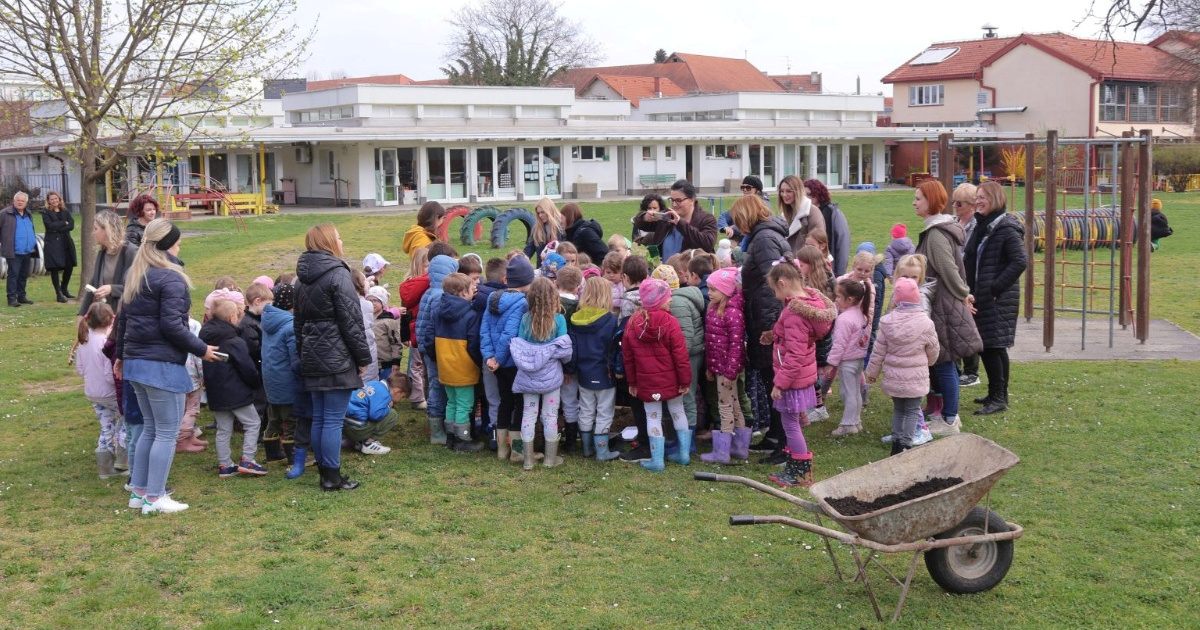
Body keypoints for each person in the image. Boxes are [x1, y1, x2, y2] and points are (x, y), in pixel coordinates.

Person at [115, 219, 219, 514]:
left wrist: (123, 357)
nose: (181, 244)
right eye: (178, 240)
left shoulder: (136, 273)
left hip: (137, 364)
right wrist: (203, 349)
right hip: (160, 367)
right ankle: (155, 497)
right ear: (168, 244)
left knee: (151, 428)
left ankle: (140, 492)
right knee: (165, 432)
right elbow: (173, 326)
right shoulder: (170, 277)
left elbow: (123, 321)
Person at [294, 223, 371, 491]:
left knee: (320, 418)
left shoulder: (300, 279)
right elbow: (352, 322)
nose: (342, 241)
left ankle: (327, 473)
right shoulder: (339, 275)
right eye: (338, 237)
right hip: (337, 356)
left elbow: (298, 324)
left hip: (313, 356)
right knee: (332, 420)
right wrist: (362, 358)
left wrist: (304, 354)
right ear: (329, 242)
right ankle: (331, 477)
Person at [912, 180, 983, 437]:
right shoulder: (939, 230)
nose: (914, 203)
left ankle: (950, 419)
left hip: (942, 304)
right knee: (944, 361)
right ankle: (945, 413)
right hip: (943, 302)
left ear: (931, 201)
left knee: (945, 362)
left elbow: (948, 269)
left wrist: (965, 294)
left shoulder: (936, 234)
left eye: (918, 198)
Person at [764, 257, 834, 488]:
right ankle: (794, 465)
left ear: (782, 283)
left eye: (774, 289)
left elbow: (794, 354)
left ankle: (801, 472)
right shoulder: (808, 303)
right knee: (793, 422)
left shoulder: (795, 313)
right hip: (803, 373)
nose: (775, 295)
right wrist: (774, 335)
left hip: (792, 379)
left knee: (790, 424)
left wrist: (780, 383)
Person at [732, 195, 791, 460]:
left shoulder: (765, 239)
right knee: (770, 381)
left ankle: (783, 442)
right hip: (763, 314)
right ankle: (775, 436)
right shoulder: (765, 236)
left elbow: (774, 284)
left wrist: (769, 327)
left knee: (774, 381)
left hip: (767, 319)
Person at [964, 180, 1028, 415]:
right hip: (984, 296)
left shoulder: (1006, 228)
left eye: (983, 197)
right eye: (977, 197)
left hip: (997, 299)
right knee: (990, 346)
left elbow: (1020, 261)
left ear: (996, 199)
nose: (978, 201)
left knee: (993, 346)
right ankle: (995, 393)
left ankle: (999, 397)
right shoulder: (984, 225)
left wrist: (994, 288)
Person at [622, 278, 692, 472]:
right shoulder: (671, 322)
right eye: (668, 297)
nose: (670, 300)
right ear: (659, 300)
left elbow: (628, 357)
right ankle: (684, 454)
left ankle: (657, 460)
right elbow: (681, 355)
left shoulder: (632, 323)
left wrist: (632, 382)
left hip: (646, 381)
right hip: (672, 380)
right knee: (678, 411)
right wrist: (685, 380)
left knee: (653, 416)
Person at [866, 277, 939, 454]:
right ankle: (906, 443)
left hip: (894, 377)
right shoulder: (925, 323)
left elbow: (878, 350)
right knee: (913, 410)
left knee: (899, 409)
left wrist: (872, 372)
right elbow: (934, 349)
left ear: (896, 299)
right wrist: (930, 362)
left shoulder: (888, 322)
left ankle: (896, 444)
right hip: (916, 377)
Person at [200, 297, 267, 477]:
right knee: (253, 423)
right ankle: (248, 459)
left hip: (216, 391)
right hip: (236, 391)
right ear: (231, 318)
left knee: (223, 428)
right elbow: (246, 367)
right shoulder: (234, 342)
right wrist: (255, 382)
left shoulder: (205, 342)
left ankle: (225, 465)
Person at [511, 277, 573, 469]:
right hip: (551, 378)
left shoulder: (525, 319)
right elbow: (565, 350)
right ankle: (549, 458)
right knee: (550, 416)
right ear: (554, 297)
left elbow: (520, 346)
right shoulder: (559, 320)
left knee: (528, 415)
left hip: (528, 378)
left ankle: (528, 459)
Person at [481, 255, 534, 463]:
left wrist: (489, 357)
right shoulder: (521, 303)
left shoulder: (493, 298)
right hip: (511, 363)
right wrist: (500, 359)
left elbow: (484, 330)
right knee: (519, 405)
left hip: (496, 363)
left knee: (504, 402)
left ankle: (502, 449)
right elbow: (510, 335)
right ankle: (518, 450)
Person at [567, 276, 620, 461]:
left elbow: (572, 349)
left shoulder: (574, 319)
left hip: (583, 373)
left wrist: (570, 369)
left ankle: (587, 448)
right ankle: (602, 451)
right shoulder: (611, 321)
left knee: (586, 410)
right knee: (604, 412)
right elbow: (614, 349)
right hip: (605, 374)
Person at [700, 267, 749, 464]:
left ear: (726, 291)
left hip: (727, 369)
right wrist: (711, 367)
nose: (709, 293)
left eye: (713, 289)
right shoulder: (714, 309)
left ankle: (722, 452)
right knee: (734, 403)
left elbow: (736, 346)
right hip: (719, 366)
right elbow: (712, 342)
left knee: (725, 406)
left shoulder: (732, 314)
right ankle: (739, 448)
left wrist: (729, 372)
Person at [76, 302, 127, 479]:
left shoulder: (84, 341)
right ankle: (123, 459)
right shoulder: (106, 343)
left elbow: (80, 369)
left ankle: (105, 468)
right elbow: (109, 374)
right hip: (110, 393)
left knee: (107, 427)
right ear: (111, 320)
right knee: (126, 422)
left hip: (92, 393)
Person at [435, 272, 484, 452]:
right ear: (463, 292)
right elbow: (473, 345)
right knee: (464, 404)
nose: (475, 291)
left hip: (445, 366)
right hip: (464, 368)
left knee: (451, 402)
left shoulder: (438, 311)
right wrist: (479, 362)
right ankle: (462, 439)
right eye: (472, 288)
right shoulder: (471, 315)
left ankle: (450, 437)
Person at [416, 254, 460, 445]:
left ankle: (436, 425)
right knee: (437, 386)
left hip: (426, 348)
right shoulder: (439, 296)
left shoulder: (428, 293)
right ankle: (437, 430)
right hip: (435, 350)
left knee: (434, 384)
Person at [825, 278, 871, 437]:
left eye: (838, 297)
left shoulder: (844, 319)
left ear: (849, 299)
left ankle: (848, 424)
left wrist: (831, 362)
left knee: (848, 392)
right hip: (858, 359)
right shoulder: (862, 315)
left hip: (848, 361)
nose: (836, 300)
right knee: (855, 391)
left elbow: (839, 344)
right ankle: (856, 421)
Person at [632, 180, 718, 260]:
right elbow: (639, 223)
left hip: (692, 273)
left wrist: (680, 223)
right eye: (672, 200)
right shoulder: (667, 216)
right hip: (664, 272)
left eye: (678, 200)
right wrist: (645, 217)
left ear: (692, 200)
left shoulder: (707, 219)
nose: (674, 204)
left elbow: (707, 244)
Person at [77, 210, 138, 316]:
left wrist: (112, 289)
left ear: (107, 230)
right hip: (106, 317)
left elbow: (138, 287)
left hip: (126, 317)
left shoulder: (131, 252)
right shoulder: (102, 253)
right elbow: (93, 284)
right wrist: (82, 314)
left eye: (96, 229)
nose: (93, 232)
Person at [951, 183, 982, 388]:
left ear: (972, 205)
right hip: (954, 278)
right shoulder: (954, 222)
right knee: (954, 323)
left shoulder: (977, 227)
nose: (955, 206)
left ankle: (972, 371)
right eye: (953, 202)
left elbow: (968, 254)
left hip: (969, 280)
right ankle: (956, 368)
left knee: (968, 324)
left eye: (959, 203)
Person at [398, 248, 431, 410]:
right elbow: (405, 313)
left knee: (421, 364)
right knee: (418, 364)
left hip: (419, 329)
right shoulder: (417, 284)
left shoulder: (415, 283)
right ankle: (417, 397)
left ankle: (421, 394)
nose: (429, 271)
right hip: (416, 330)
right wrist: (405, 335)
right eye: (426, 266)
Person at [803, 179, 850, 276]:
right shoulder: (804, 214)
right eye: (804, 195)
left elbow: (842, 245)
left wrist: (839, 274)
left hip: (829, 268)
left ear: (818, 195)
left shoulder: (833, 214)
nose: (806, 198)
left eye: (809, 194)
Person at [1, 191, 38, 307]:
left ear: (26, 203)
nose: (20, 202)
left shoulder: (28, 213)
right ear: (14, 201)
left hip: (27, 250)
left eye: (22, 201)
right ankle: (12, 299)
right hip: (13, 250)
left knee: (23, 275)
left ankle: (21, 296)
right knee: (13, 275)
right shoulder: (5, 213)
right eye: (18, 200)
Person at [40, 191, 77, 302]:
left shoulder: (65, 211)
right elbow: (50, 226)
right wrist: (63, 223)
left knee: (69, 266)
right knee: (54, 267)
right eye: (52, 199)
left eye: (56, 198)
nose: (54, 201)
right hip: (53, 243)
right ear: (48, 201)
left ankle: (64, 289)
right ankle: (58, 294)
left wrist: (59, 227)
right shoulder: (45, 212)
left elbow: (71, 225)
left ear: (59, 199)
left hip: (66, 241)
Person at [777, 175, 825, 258]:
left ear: (797, 191)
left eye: (789, 191)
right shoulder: (784, 215)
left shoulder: (812, 212)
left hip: (809, 263)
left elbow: (818, 241)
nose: (784, 195)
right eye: (782, 191)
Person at [524, 198, 565, 265]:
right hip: (542, 268)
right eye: (538, 213)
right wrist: (523, 258)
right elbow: (529, 248)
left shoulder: (561, 226)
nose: (540, 215)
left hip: (559, 267)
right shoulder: (537, 229)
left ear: (550, 211)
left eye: (542, 212)